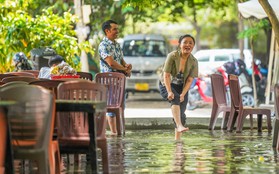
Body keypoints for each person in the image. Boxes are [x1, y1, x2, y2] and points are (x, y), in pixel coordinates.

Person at [159, 34, 198, 140]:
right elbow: (166, 75)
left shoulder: (194, 61)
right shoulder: (172, 56)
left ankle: (178, 141)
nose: (188, 45)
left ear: (193, 46)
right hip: (167, 84)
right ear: (179, 44)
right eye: (185, 42)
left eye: (190, 43)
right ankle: (180, 126)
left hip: (181, 87)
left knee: (182, 111)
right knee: (175, 98)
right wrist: (169, 91)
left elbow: (190, 80)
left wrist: (183, 94)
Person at [98, 19, 132, 135]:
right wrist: (124, 69)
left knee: (121, 107)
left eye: (118, 29)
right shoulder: (103, 45)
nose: (117, 31)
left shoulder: (117, 45)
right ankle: (114, 133)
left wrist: (126, 66)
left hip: (119, 81)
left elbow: (121, 60)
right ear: (107, 31)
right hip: (109, 81)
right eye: (115, 29)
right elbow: (111, 63)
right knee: (112, 107)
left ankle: (120, 132)